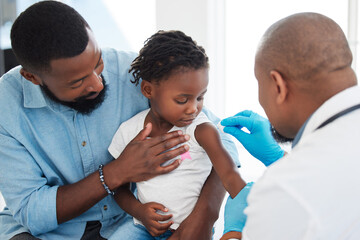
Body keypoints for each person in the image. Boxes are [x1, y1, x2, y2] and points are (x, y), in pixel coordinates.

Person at [0, 1, 239, 239]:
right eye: (76, 82)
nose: (97, 83)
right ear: (32, 77)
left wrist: (206, 213)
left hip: (133, 221)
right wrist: (117, 173)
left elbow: (221, 140)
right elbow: (31, 212)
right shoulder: (7, 105)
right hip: (53, 231)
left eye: (98, 63)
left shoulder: (135, 73)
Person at [220, 12, 360, 239]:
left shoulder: (284, 189)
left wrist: (233, 232)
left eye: (259, 84)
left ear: (278, 85)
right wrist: (279, 158)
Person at [107, 30, 248, 239]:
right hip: (142, 227)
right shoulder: (129, 131)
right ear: (148, 90)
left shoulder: (201, 130)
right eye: (183, 100)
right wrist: (140, 212)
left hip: (193, 230)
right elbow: (119, 188)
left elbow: (229, 175)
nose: (193, 109)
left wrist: (250, 214)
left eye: (200, 97)